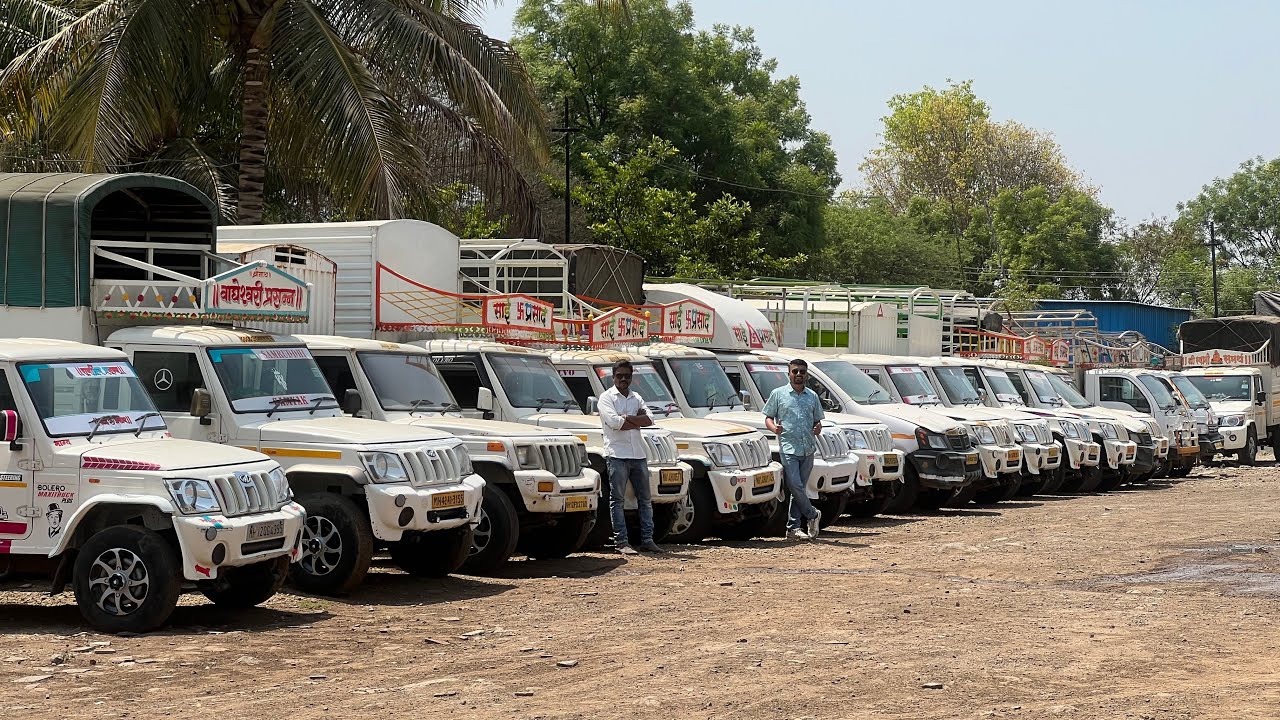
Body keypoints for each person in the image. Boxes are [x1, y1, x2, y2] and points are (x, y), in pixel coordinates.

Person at [597, 359, 663, 555]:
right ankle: (622, 542)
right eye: (619, 376)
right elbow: (614, 423)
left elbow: (651, 419)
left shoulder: (636, 397)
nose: (623, 379)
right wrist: (637, 420)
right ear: (613, 376)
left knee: (645, 499)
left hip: (638, 454)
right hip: (617, 454)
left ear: (632, 377)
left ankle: (647, 540)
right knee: (617, 500)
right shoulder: (606, 398)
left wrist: (626, 419)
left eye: (627, 375)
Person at [761, 358, 825, 540]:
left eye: (802, 372)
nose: (798, 375)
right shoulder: (778, 394)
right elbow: (768, 417)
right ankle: (812, 514)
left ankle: (793, 528)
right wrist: (774, 428)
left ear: (806, 375)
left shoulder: (812, 396)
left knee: (799, 490)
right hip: (788, 448)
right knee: (794, 485)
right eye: (795, 371)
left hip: (808, 448)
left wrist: (818, 427)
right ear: (788, 373)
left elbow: (817, 420)